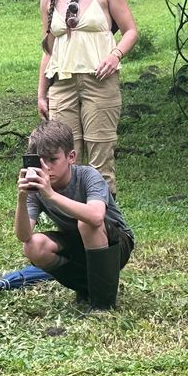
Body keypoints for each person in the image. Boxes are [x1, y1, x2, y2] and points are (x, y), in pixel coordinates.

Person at [37, 0, 137, 192]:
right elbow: (49, 50)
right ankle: (69, 215)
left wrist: (115, 55)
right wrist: (41, 94)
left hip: (99, 81)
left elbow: (130, 31)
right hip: (62, 84)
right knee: (63, 157)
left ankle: (105, 215)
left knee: (100, 157)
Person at [15, 119, 135, 309]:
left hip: (115, 244)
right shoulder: (37, 187)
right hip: (76, 242)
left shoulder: (88, 176)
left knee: (86, 223)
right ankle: (87, 288)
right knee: (34, 246)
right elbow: (24, 236)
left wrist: (51, 195)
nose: (46, 167)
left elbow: (96, 217)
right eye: (41, 161)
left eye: (53, 159)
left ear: (71, 157)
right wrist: (22, 198)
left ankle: (102, 304)